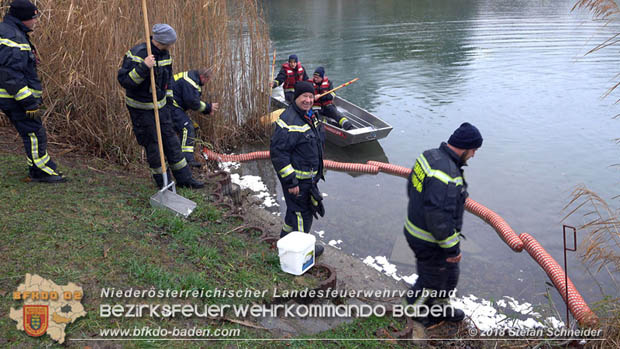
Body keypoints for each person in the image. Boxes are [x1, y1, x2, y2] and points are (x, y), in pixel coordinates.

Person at [403, 122, 483, 327]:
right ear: (465, 147)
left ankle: (440, 307)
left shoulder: (428, 156)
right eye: (473, 150)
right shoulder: (448, 175)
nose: (473, 155)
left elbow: (412, 186)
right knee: (431, 279)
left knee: (449, 273)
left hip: (417, 228)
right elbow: (438, 218)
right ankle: (412, 315)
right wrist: (452, 249)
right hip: (429, 239)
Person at [117, 24, 203, 189]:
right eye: (171, 42)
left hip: (161, 108)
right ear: (164, 41)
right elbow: (125, 81)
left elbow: (168, 80)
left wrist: (169, 103)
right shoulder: (137, 54)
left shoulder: (165, 55)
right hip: (142, 110)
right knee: (154, 147)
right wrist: (144, 67)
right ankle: (164, 183)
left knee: (171, 142)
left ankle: (185, 179)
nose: (172, 45)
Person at [0, 0, 66, 183]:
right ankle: (40, 171)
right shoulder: (13, 37)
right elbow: (10, 74)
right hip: (15, 98)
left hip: (13, 97)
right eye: (33, 18)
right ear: (22, 19)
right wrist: (28, 100)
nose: (36, 21)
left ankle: (41, 166)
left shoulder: (11, 32)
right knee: (34, 131)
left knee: (33, 131)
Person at [270, 81, 326, 257]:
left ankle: (285, 240)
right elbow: (279, 153)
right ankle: (303, 254)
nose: (308, 100)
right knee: (303, 215)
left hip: (308, 179)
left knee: (293, 212)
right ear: (296, 98)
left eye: (311, 96)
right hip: (297, 181)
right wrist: (290, 181)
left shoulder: (309, 116)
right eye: (304, 97)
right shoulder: (289, 120)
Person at [170, 68, 219, 168]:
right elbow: (193, 102)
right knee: (187, 128)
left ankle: (177, 154)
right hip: (171, 106)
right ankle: (187, 160)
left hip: (173, 105)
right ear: (202, 77)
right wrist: (209, 108)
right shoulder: (191, 82)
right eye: (207, 80)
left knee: (194, 127)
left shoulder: (192, 78)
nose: (207, 83)